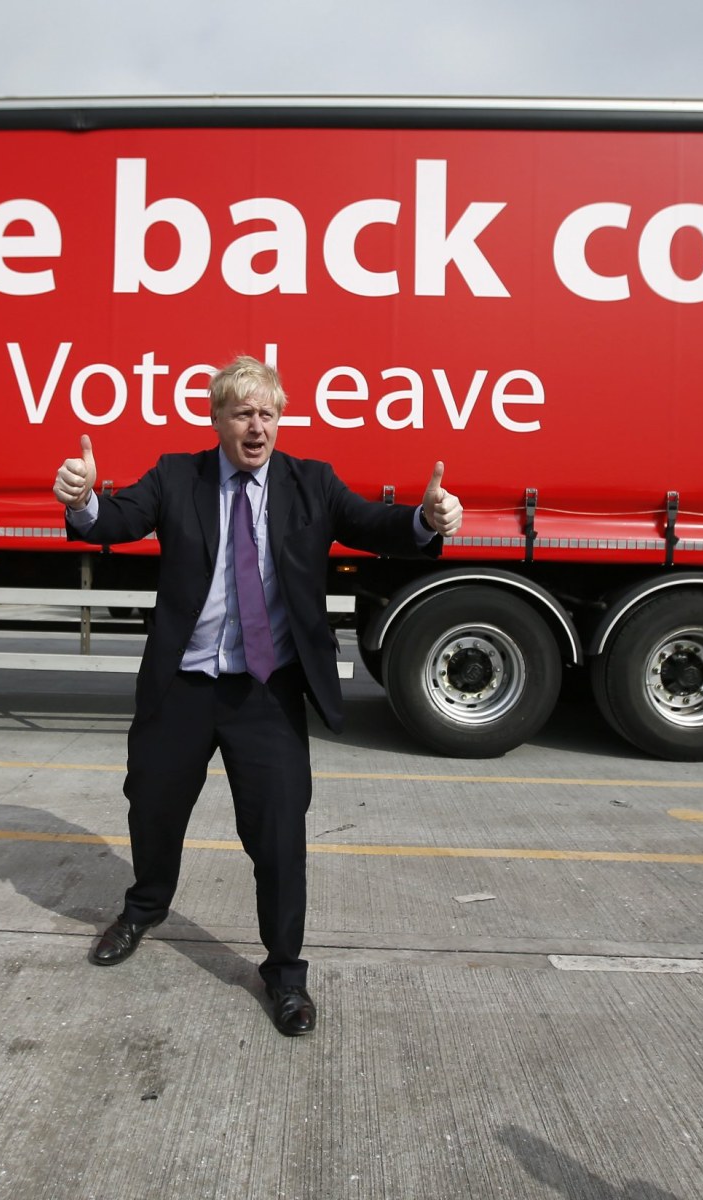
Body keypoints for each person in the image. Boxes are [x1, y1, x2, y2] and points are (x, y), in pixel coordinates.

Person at [52, 355, 463, 1036]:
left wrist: (425, 517)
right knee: (151, 805)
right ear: (217, 420)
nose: (256, 425)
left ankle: (285, 974)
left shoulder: (312, 485)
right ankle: (144, 908)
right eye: (242, 412)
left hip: (266, 692)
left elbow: (376, 526)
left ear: (280, 420)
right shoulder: (177, 476)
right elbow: (114, 520)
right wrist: (82, 501)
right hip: (182, 686)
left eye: (268, 412)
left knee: (278, 834)